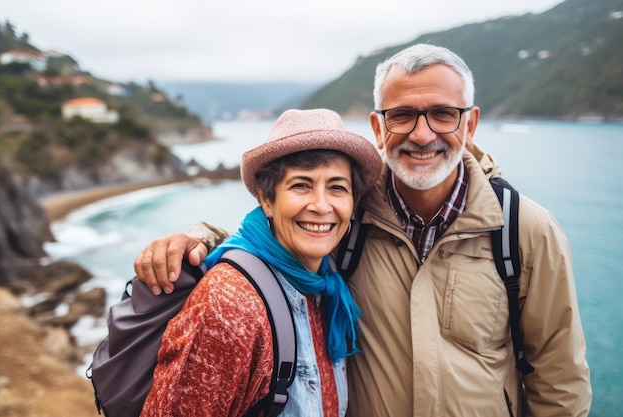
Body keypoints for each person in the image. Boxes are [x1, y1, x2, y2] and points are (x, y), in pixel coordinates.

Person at [135, 44, 592, 416]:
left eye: (443, 114)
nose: (421, 133)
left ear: (469, 124)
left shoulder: (522, 230)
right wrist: (199, 241)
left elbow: (560, 382)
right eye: (402, 115)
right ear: (378, 126)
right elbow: (277, 233)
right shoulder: (348, 214)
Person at [139, 108, 383, 417]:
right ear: (267, 200)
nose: (322, 206)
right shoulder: (231, 305)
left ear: (353, 202)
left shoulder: (325, 277)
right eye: (301, 185)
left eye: (337, 188)